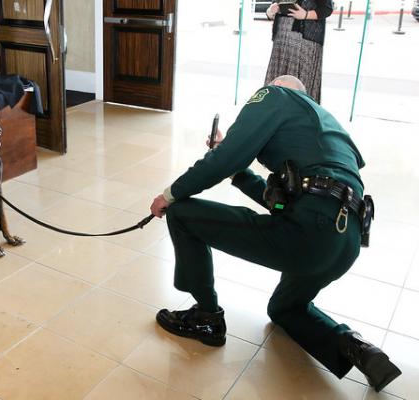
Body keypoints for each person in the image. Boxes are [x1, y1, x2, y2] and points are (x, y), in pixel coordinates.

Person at [149, 75, 401, 393]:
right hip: (344, 243)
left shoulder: (276, 95)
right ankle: (354, 347)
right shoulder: (326, 134)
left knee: (183, 214)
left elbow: (224, 159)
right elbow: (282, 203)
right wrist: (239, 170)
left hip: (311, 231)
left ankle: (206, 316)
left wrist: (170, 195)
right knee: (284, 309)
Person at [264, 0, 333, 103]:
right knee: (278, 80)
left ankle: (298, 114)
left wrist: (305, 14)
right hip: (281, 39)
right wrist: (270, 11)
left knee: (300, 83)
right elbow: (273, 8)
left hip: (305, 40)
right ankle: (275, 113)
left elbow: (327, 9)